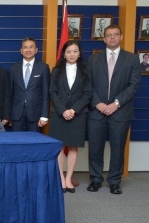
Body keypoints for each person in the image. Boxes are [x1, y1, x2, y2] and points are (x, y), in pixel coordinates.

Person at [87, 24, 141, 195]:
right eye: (109, 35)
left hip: (121, 111)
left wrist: (116, 104)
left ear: (121, 37)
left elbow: (134, 86)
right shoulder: (93, 59)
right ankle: (95, 179)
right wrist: (98, 103)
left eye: (115, 34)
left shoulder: (132, 59)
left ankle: (115, 181)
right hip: (97, 111)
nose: (112, 38)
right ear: (104, 38)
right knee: (95, 147)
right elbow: (88, 85)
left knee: (118, 148)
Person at [49, 40, 92, 193]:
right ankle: (61, 178)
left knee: (73, 147)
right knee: (60, 148)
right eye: (68, 51)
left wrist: (73, 110)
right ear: (64, 54)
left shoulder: (86, 70)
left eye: (75, 51)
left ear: (79, 53)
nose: (72, 54)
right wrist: (63, 110)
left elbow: (88, 94)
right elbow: (52, 92)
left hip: (78, 114)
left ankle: (69, 178)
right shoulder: (56, 70)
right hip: (59, 114)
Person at [8, 37, 50, 132]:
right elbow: (10, 93)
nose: (28, 50)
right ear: (21, 50)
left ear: (36, 50)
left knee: (34, 144)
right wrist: (9, 115)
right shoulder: (13, 68)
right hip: (17, 114)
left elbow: (45, 94)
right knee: (17, 142)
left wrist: (44, 116)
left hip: (36, 114)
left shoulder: (43, 68)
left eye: (31, 47)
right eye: (25, 47)